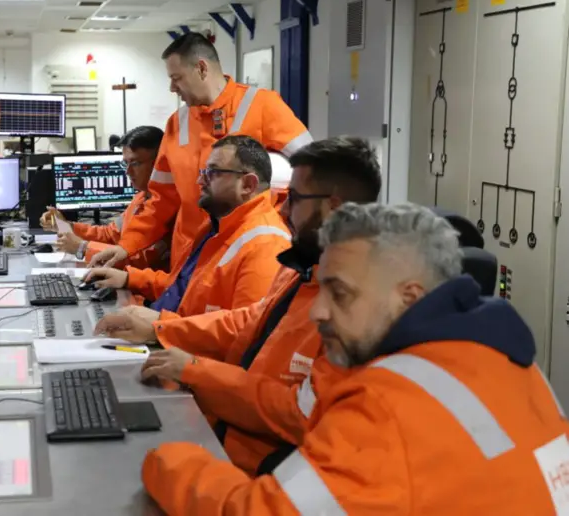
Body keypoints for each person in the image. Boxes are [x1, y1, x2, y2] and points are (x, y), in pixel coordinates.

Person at [141, 202, 569, 515]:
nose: (318, 311)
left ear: (410, 298)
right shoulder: (513, 365)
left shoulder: (387, 404)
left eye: (340, 293)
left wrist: (167, 458)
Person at [94, 136, 381, 475]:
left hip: (258, 469)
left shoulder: (356, 308)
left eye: (295, 198)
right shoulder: (306, 269)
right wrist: (161, 329)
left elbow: (301, 414)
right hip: (226, 433)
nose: (285, 208)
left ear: (332, 206)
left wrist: (193, 369)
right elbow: (248, 322)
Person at [89, 32, 312, 270]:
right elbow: (161, 199)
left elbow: (315, 171)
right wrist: (127, 246)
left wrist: (281, 218)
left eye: (177, 78)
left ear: (202, 69)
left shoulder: (262, 106)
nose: (172, 87)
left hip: (247, 254)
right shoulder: (177, 123)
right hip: (189, 258)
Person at [88, 135, 291, 318]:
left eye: (213, 172)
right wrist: (129, 278)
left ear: (248, 185)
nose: (199, 180)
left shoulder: (266, 246)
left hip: (177, 348)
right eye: (204, 171)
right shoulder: (215, 226)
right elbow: (184, 289)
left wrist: (159, 325)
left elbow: (241, 336)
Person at [40, 126, 170, 269]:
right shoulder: (141, 196)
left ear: (159, 163)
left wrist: (82, 248)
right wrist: (66, 225)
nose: (127, 171)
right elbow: (110, 235)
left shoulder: (167, 207)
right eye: (125, 163)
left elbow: (139, 261)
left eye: (135, 163)